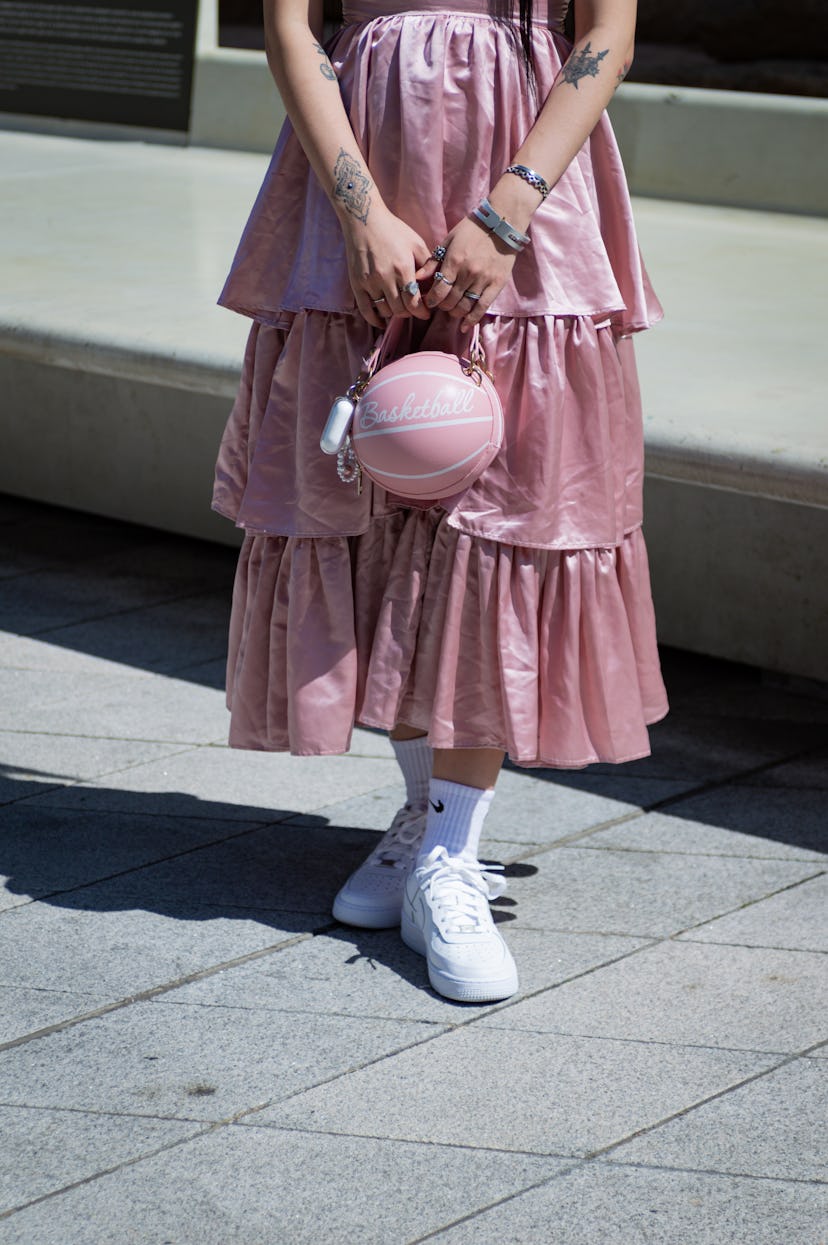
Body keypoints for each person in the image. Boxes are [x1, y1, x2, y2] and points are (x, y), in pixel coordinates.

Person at [212, 0, 668, 1004]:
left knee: (499, 512)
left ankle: (453, 852)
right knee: (372, 495)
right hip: (358, 186)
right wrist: (358, 211)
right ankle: (422, 817)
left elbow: (608, 33)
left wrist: (508, 212)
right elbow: (292, 26)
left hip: (526, 197)